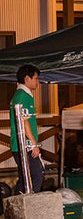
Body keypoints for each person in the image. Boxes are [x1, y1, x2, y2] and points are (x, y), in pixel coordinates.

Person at [9, 64, 43, 194]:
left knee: (24, 179)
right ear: (27, 78)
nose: (37, 82)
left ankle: (15, 209)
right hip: (26, 145)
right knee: (36, 175)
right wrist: (34, 143)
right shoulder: (24, 95)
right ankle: (30, 207)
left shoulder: (18, 95)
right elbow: (24, 121)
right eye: (36, 78)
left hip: (19, 145)